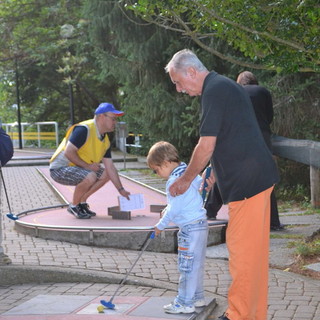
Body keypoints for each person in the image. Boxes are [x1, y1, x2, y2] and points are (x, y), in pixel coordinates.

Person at [165, 49, 279, 320]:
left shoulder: (214, 91)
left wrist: (185, 179)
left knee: (242, 257)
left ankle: (239, 315)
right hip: (256, 180)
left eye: (178, 82)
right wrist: (215, 169)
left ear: (192, 71)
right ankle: (253, 314)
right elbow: (235, 132)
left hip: (248, 185)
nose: (179, 89)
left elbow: (206, 145)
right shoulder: (223, 85)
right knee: (253, 257)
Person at [147, 141, 208, 314]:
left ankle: (184, 303)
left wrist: (160, 226)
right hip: (201, 225)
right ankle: (197, 298)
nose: (158, 175)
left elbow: (175, 208)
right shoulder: (189, 172)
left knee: (186, 266)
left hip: (189, 228)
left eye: (156, 170)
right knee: (197, 265)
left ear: (165, 163)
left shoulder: (174, 181)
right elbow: (189, 196)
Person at [49, 102, 130, 219]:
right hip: (59, 169)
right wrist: (88, 166)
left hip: (79, 168)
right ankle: (74, 206)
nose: (115, 123)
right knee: (90, 175)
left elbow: (110, 167)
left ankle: (82, 202)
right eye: (113, 119)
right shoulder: (84, 129)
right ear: (102, 117)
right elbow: (68, 152)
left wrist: (121, 190)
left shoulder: (105, 140)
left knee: (106, 173)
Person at [236, 71, 285, 231]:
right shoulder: (263, 91)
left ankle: (243, 220)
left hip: (242, 138)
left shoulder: (235, 91)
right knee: (267, 178)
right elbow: (269, 117)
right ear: (254, 81)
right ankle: (273, 222)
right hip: (261, 138)